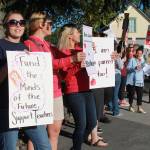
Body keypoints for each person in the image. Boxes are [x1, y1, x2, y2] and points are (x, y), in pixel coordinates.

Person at [24, 12, 85, 150]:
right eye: (50, 23)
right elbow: (49, 63)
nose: (52, 26)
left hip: (56, 91)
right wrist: (72, 60)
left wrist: (91, 52)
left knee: (55, 131)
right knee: (36, 135)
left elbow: (65, 55)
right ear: (41, 24)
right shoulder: (29, 44)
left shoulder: (49, 45)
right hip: (41, 94)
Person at [0, 10, 51, 150]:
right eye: (13, 22)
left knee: (44, 146)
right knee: (9, 147)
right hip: (7, 108)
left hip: (28, 106)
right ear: (5, 25)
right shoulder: (0, 46)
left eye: (21, 22)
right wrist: (8, 66)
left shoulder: (25, 47)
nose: (18, 26)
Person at [57, 23, 97, 150]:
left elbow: (96, 64)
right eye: (77, 32)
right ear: (69, 36)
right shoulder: (62, 52)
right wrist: (77, 64)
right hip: (74, 92)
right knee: (81, 125)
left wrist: (97, 52)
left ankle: (75, 146)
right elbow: (64, 77)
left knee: (91, 123)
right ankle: (77, 147)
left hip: (87, 89)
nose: (79, 34)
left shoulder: (82, 49)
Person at [126, 46, 146, 113]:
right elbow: (128, 69)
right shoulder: (132, 59)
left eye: (141, 53)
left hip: (140, 80)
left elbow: (144, 69)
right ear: (136, 53)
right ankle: (130, 106)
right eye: (138, 53)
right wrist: (134, 68)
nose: (139, 55)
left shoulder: (143, 60)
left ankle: (139, 107)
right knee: (131, 94)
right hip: (133, 80)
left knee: (140, 94)